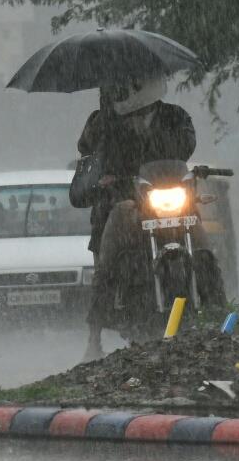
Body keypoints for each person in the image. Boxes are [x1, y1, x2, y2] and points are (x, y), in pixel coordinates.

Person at [78, 74, 197, 361]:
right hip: (121, 199)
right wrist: (109, 121)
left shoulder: (174, 116)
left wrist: (152, 137)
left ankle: (211, 304)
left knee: (201, 237)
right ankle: (93, 339)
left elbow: (186, 147)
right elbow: (88, 150)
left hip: (165, 197)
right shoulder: (102, 121)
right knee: (105, 261)